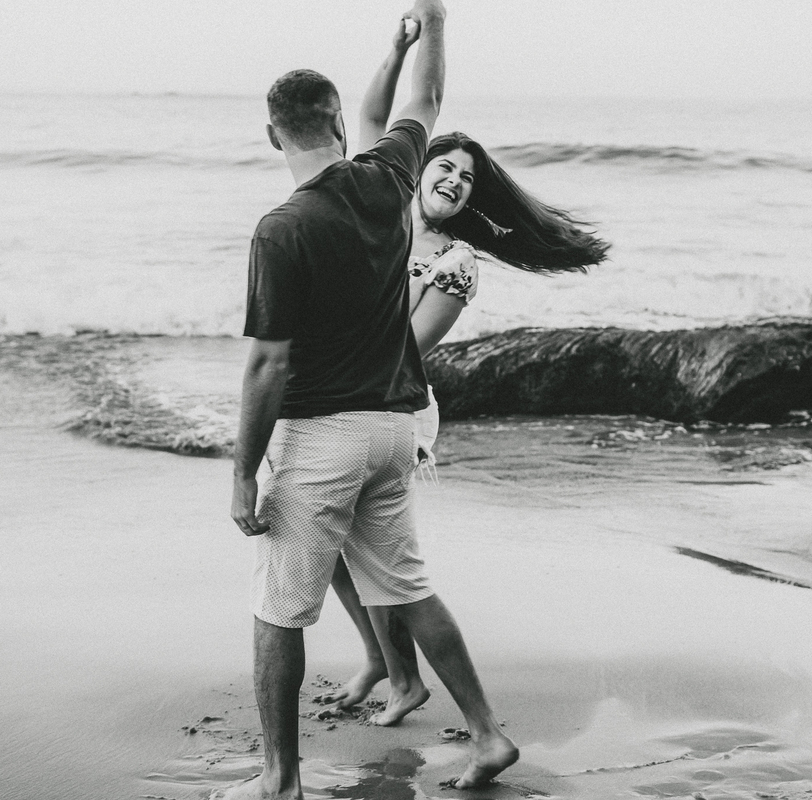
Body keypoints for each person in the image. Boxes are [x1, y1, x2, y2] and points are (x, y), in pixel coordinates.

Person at [228, 2, 519, 797]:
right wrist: (431, 25)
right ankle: (488, 737)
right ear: (338, 125)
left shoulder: (282, 228)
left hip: (323, 435)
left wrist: (239, 471)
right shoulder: (392, 178)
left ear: (272, 135)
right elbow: (422, 103)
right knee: (409, 588)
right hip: (396, 430)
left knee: (280, 610)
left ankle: (279, 781)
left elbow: (266, 369)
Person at [322, 20, 611, 729]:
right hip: (344, 396)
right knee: (333, 551)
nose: (450, 179)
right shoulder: (380, 205)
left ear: (470, 199)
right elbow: (371, 118)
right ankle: (380, 662)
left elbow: (408, 350)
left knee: (383, 564)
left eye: (465, 178)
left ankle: (417, 687)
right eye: (443, 166)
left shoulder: (454, 264)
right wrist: (395, 47)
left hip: (392, 406)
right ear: (419, 172)